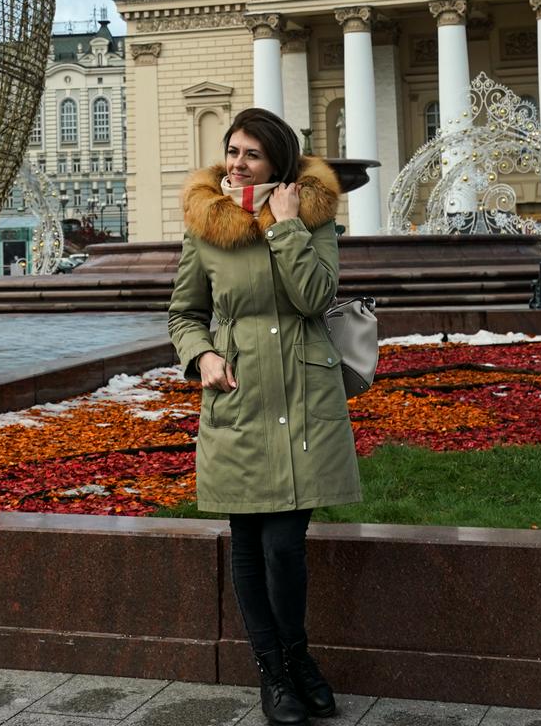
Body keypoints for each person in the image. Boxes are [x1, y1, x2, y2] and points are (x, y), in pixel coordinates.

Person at [168, 107, 358, 724]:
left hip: (303, 396)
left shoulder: (312, 216)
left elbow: (315, 297)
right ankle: (274, 672)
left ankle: (299, 657)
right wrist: (201, 358)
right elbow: (184, 313)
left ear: (277, 159)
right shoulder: (207, 226)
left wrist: (284, 227)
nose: (236, 163)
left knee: (285, 545)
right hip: (239, 396)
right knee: (248, 540)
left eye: (250, 153)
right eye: (231, 151)